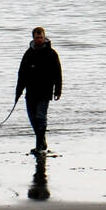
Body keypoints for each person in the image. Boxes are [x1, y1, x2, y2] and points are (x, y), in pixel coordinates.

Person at [16, 26, 61, 154]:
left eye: (41, 37)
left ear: (44, 37)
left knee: (41, 117)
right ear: (33, 38)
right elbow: (22, 74)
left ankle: (39, 146)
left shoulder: (51, 54)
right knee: (33, 118)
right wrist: (18, 91)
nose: (39, 40)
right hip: (30, 92)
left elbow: (58, 73)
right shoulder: (28, 53)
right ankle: (42, 141)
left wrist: (58, 90)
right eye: (37, 38)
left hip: (45, 92)